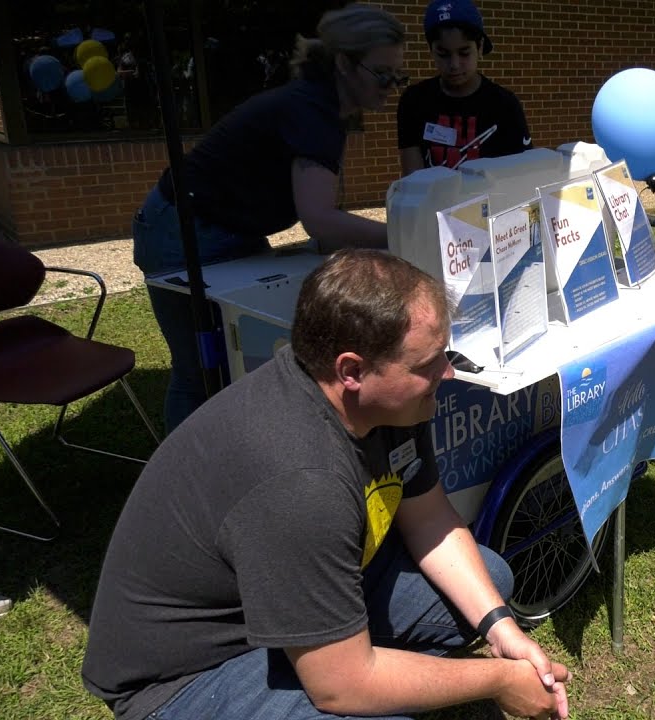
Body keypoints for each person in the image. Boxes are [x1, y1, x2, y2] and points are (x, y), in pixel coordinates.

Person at [81, 250, 569, 720]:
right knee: (358, 700)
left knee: (489, 581)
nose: (447, 372)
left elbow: (430, 519)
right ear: (352, 371)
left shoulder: (391, 403)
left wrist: (500, 628)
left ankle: (336, 644)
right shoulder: (301, 478)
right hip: (187, 675)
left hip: (283, 602)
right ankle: (334, 652)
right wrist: (497, 681)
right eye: (428, 365)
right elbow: (342, 686)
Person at [133, 4, 401, 434]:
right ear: (344, 63)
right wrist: (405, 236)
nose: (392, 87)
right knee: (199, 371)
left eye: (398, 76)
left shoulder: (323, 107)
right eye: (383, 74)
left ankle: (240, 451)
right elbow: (319, 220)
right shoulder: (313, 111)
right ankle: (186, 482)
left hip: (228, 228)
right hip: (184, 229)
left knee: (244, 357)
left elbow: (321, 224)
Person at [396, 0, 532, 175]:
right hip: (435, 201)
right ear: (431, 50)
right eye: (443, 54)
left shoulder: (504, 104)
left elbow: (522, 174)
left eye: (464, 52)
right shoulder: (414, 100)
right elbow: (413, 178)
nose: (454, 64)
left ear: (480, 47)